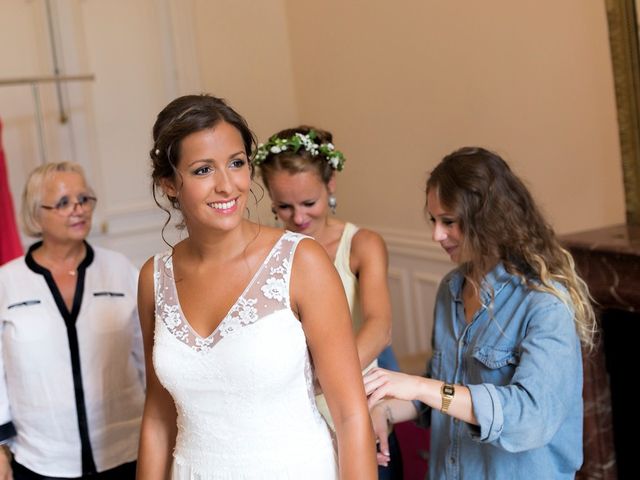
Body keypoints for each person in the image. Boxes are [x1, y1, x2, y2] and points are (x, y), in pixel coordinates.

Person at [136, 94, 376, 479]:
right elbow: (158, 415)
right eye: (202, 170)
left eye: (236, 163)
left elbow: (350, 414)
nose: (226, 185)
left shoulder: (302, 262)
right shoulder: (154, 277)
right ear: (168, 183)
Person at [364, 147, 597, 479]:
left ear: (487, 219)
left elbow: (531, 418)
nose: (436, 235)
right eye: (434, 220)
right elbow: (442, 392)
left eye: (449, 222)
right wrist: (385, 411)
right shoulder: (451, 289)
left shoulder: (545, 303)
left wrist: (418, 386)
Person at [254, 126, 402, 478]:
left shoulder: (362, 244)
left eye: (309, 203)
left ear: (330, 184)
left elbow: (380, 328)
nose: (299, 218)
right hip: (292, 413)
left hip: (357, 398)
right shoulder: (264, 250)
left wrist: (324, 379)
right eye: (283, 207)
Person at [0, 162, 145, 479]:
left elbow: (148, 353)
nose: (78, 210)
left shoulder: (120, 270)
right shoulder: (7, 282)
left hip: (124, 450)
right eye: (64, 202)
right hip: (41, 458)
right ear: (36, 214)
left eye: (84, 199)